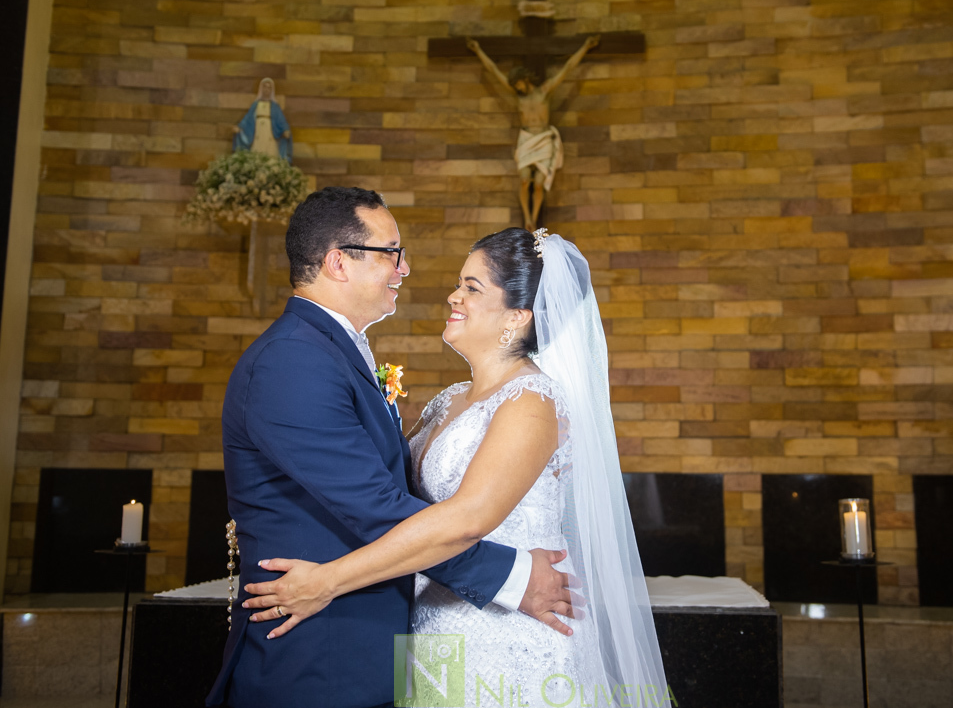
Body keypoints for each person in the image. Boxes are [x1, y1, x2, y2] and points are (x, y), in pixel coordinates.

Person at [242, 227, 670, 707]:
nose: (454, 295)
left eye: (472, 287)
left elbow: (466, 519)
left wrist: (327, 581)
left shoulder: (532, 401)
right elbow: (389, 501)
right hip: (431, 629)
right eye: (459, 283)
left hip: (504, 637)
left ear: (517, 317)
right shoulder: (447, 402)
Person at [206, 190, 573, 708]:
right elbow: (377, 508)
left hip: (392, 645)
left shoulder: (331, 353)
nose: (404, 268)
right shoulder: (292, 360)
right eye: (392, 252)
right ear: (338, 262)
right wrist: (512, 576)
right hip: (320, 659)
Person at [467, 36, 600, 230]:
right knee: (524, 179)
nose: (516, 88)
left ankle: (533, 219)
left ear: (525, 78)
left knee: (538, 183)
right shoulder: (518, 97)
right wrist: (478, 50)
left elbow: (568, 68)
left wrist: (586, 47)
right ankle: (527, 216)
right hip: (527, 139)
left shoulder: (544, 91)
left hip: (544, 138)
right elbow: (493, 71)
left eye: (518, 83)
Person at [232, 77, 293, 162]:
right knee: (257, 153)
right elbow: (248, 119)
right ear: (261, 89)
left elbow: (281, 120)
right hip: (258, 134)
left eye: (269, 87)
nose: (267, 90)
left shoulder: (275, 106)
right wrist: (240, 127)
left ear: (272, 90)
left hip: (270, 135)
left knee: (271, 156)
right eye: (265, 87)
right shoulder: (256, 105)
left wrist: (285, 129)